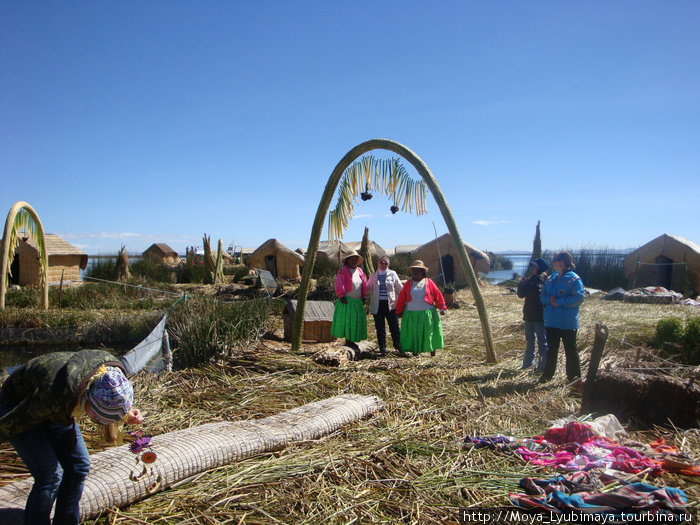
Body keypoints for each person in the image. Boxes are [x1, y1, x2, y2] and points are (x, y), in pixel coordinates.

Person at [0, 349, 144, 525]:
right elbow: (10, 425)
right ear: (88, 399)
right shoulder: (53, 396)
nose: (99, 422)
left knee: (79, 466)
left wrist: (125, 414)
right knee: (50, 476)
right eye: (98, 417)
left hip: (57, 403)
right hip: (17, 406)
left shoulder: (112, 375)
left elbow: (114, 398)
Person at [538, 251, 585, 384]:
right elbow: (543, 296)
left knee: (570, 350)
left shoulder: (573, 279)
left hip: (567, 323)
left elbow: (579, 298)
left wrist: (559, 302)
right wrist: (549, 300)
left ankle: (574, 378)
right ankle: (547, 376)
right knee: (551, 350)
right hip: (551, 321)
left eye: (555, 260)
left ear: (562, 262)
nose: (552, 263)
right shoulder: (552, 278)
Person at [395, 260, 447, 356]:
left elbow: (437, 295)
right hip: (412, 314)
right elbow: (402, 298)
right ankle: (415, 351)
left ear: (423, 272)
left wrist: (442, 307)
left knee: (428, 332)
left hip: (426, 313)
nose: (416, 272)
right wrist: (399, 311)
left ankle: (432, 351)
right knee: (414, 333)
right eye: (414, 270)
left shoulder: (429, 282)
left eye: (418, 270)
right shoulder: (408, 284)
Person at [517, 257, 549, 371]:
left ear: (540, 268)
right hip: (529, 316)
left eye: (534, 266)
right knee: (530, 342)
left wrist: (537, 281)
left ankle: (543, 367)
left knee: (542, 343)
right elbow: (520, 294)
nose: (532, 268)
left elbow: (541, 295)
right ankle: (527, 365)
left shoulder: (546, 281)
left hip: (540, 317)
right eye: (532, 266)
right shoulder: (530, 280)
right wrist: (522, 283)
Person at [367, 255, 403, 354]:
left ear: (388, 264)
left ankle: (398, 347)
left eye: (386, 263)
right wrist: (359, 296)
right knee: (380, 328)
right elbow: (367, 287)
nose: (383, 265)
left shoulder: (392, 274)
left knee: (394, 327)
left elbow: (400, 287)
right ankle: (382, 348)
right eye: (381, 262)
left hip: (391, 304)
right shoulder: (373, 275)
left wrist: (406, 298)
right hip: (377, 304)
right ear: (378, 263)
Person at [330, 250, 368, 345]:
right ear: (347, 260)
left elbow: (363, 284)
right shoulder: (343, 270)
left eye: (355, 259)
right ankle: (348, 341)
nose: (354, 261)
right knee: (348, 322)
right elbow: (340, 283)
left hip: (357, 301)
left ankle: (353, 340)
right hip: (347, 301)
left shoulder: (359, 271)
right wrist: (341, 295)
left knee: (355, 321)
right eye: (351, 259)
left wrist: (363, 296)